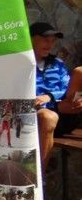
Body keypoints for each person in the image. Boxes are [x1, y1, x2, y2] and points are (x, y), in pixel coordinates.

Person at [30, 21, 70, 171]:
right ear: (31, 39)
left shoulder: (58, 64)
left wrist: (50, 96)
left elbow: (66, 87)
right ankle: (40, 176)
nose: (50, 45)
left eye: (52, 41)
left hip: (62, 115)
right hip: (34, 114)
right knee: (48, 117)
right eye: (45, 40)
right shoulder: (21, 64)